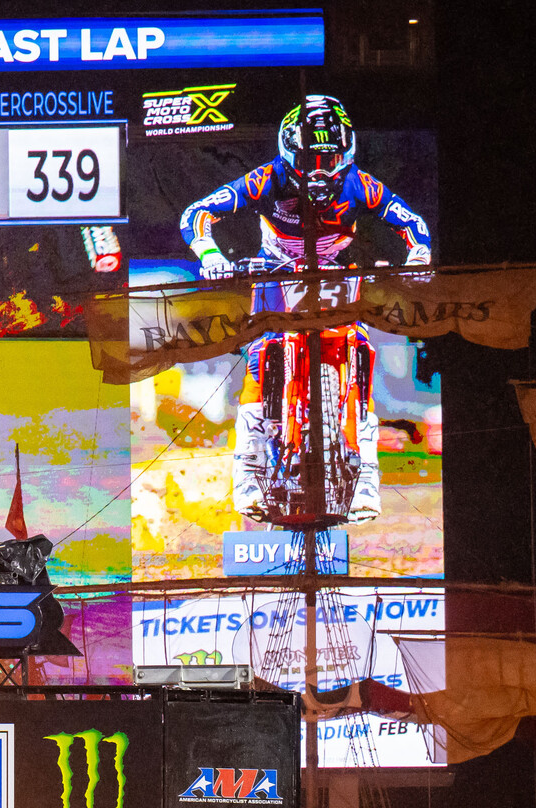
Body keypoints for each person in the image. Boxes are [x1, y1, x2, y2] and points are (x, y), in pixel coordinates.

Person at [178, 96, 433, 526]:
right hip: (275, 271)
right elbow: (197, 213)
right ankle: (249, 473)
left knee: (360, 351)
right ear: (288, 152)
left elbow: (413, 223)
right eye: (309, 157)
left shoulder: (360, 184)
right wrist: (211, 255)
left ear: (346, 153)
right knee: (259, 359)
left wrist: (419, 254)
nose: (319, 168)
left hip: (334, 274)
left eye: (328, 157)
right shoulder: (269, 178)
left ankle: (365, 472)